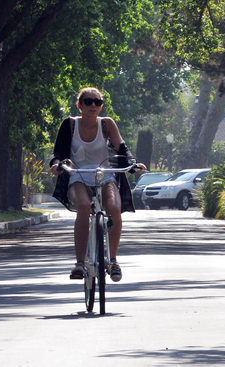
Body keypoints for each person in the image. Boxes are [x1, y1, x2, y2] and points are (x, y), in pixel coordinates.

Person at [50, 87, 146, 282]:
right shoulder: (69, 124)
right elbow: (58, 152)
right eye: (88, 101)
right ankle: (79, 264)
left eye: (97, 102)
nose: (93, 105)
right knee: (84, 207)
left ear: (101, 106)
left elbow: (122, 148)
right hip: (79, 176)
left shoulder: (107, 124)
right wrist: (55, 165)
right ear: (80, 105)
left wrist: (133, 164)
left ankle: (112, 261)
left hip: (105, 176)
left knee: (114, 208)